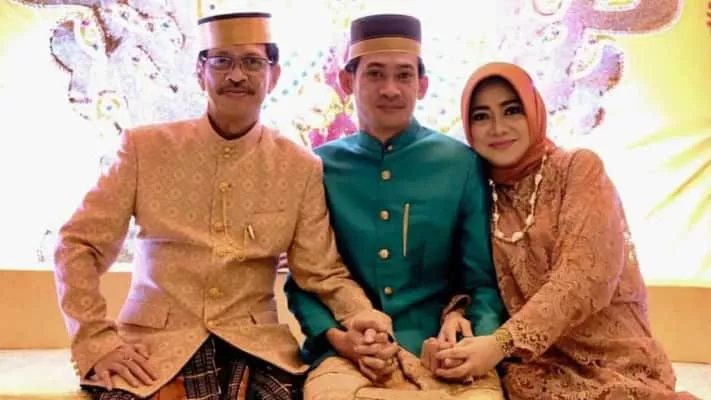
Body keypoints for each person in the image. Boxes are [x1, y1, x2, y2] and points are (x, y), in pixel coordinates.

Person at [54, 11, 390, 400]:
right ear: (200, 73)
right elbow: (77, 245)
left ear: (274, 75)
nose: (236, 75)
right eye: (222, 61)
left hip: (256, 349)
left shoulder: (298, 167)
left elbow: (322, 272)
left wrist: (362, 317)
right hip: (155, 349)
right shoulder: (145, 149)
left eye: (252, 62)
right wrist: (97, 342)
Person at [436, 61, 698, 399]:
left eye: (512, 110)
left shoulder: (578, 168)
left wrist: (501, 343)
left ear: (533, 111)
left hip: (611, 360)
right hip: (532, 368)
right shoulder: (478, 192)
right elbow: (475, 276)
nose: (498, 127)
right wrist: (457, 313)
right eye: (481, 116)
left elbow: (584, 275)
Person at [284, 14, 507, 400]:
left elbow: (483, 282)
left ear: (422, 85)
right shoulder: (317, 167)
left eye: (404, 75)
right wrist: (339, 339)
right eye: (375, 74)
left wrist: (474, 339)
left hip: (441, 350)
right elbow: (304, 279)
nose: (390, 89)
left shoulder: (460, 164)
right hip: (347, 357)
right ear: (347, 82)